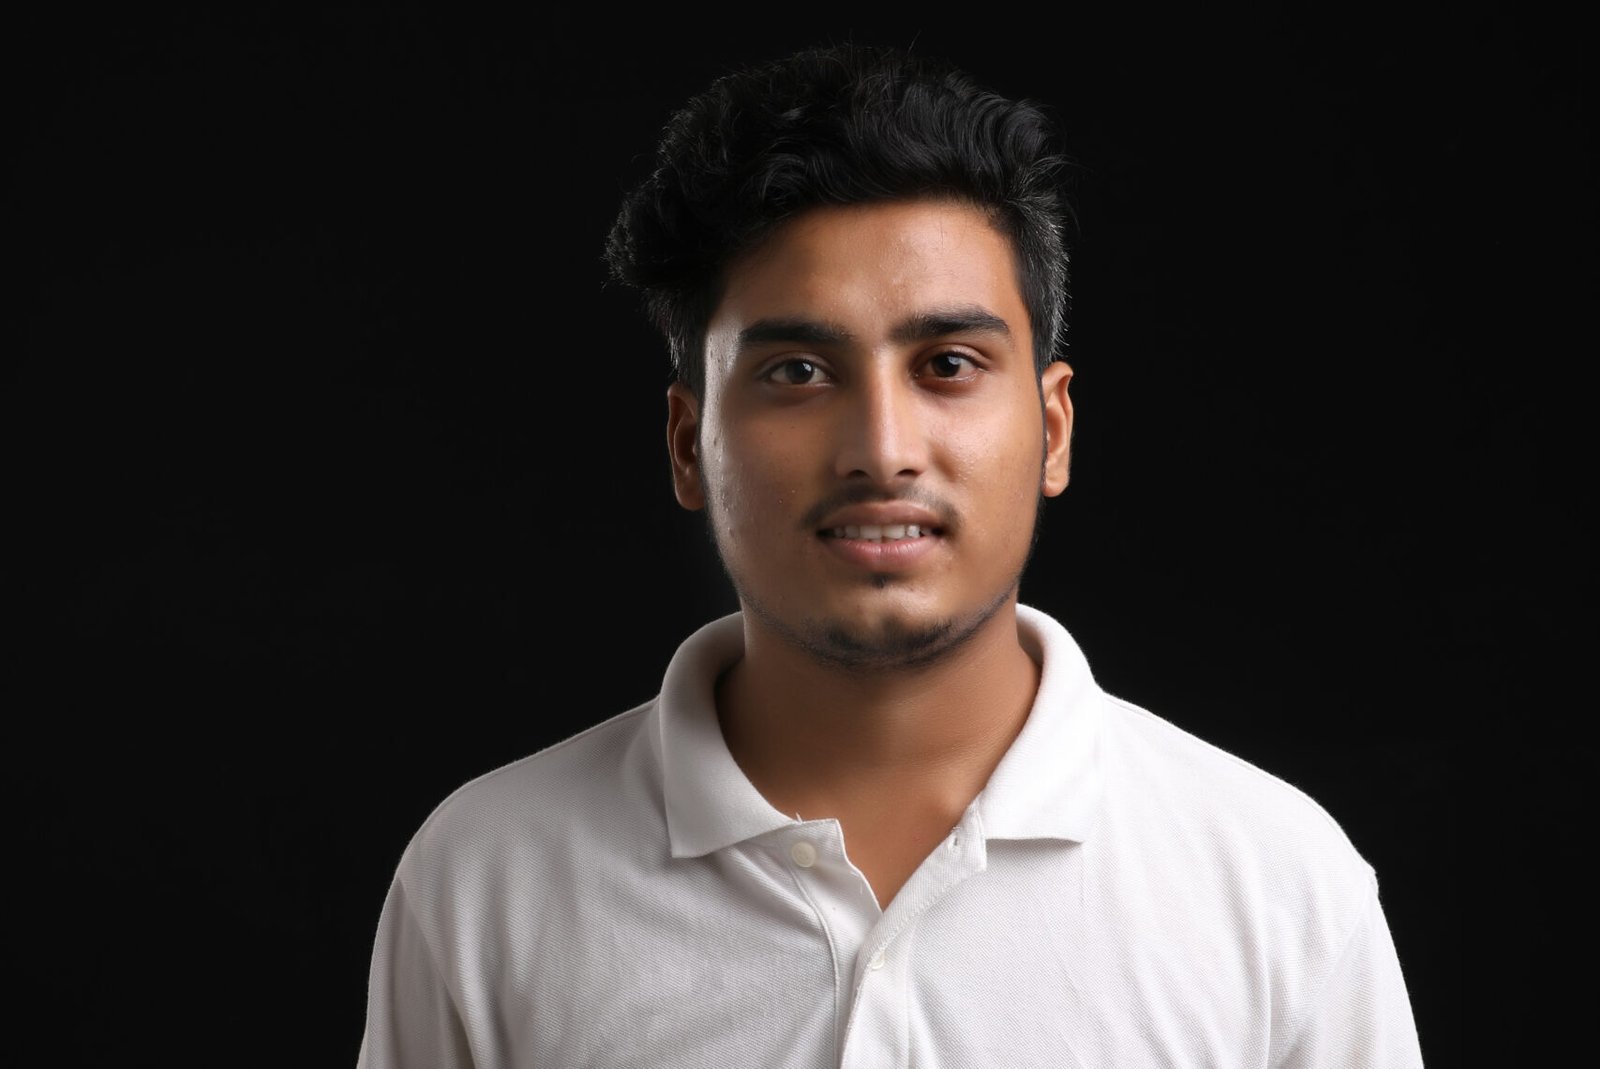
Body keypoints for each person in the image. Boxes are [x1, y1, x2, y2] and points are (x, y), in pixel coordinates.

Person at [357, 43, 1423, 1067]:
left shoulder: (1277, 888)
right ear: (689, 443)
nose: (881, 449)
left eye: (948, 364)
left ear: (1052, 429)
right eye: (797, 372)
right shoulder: (484, 881)